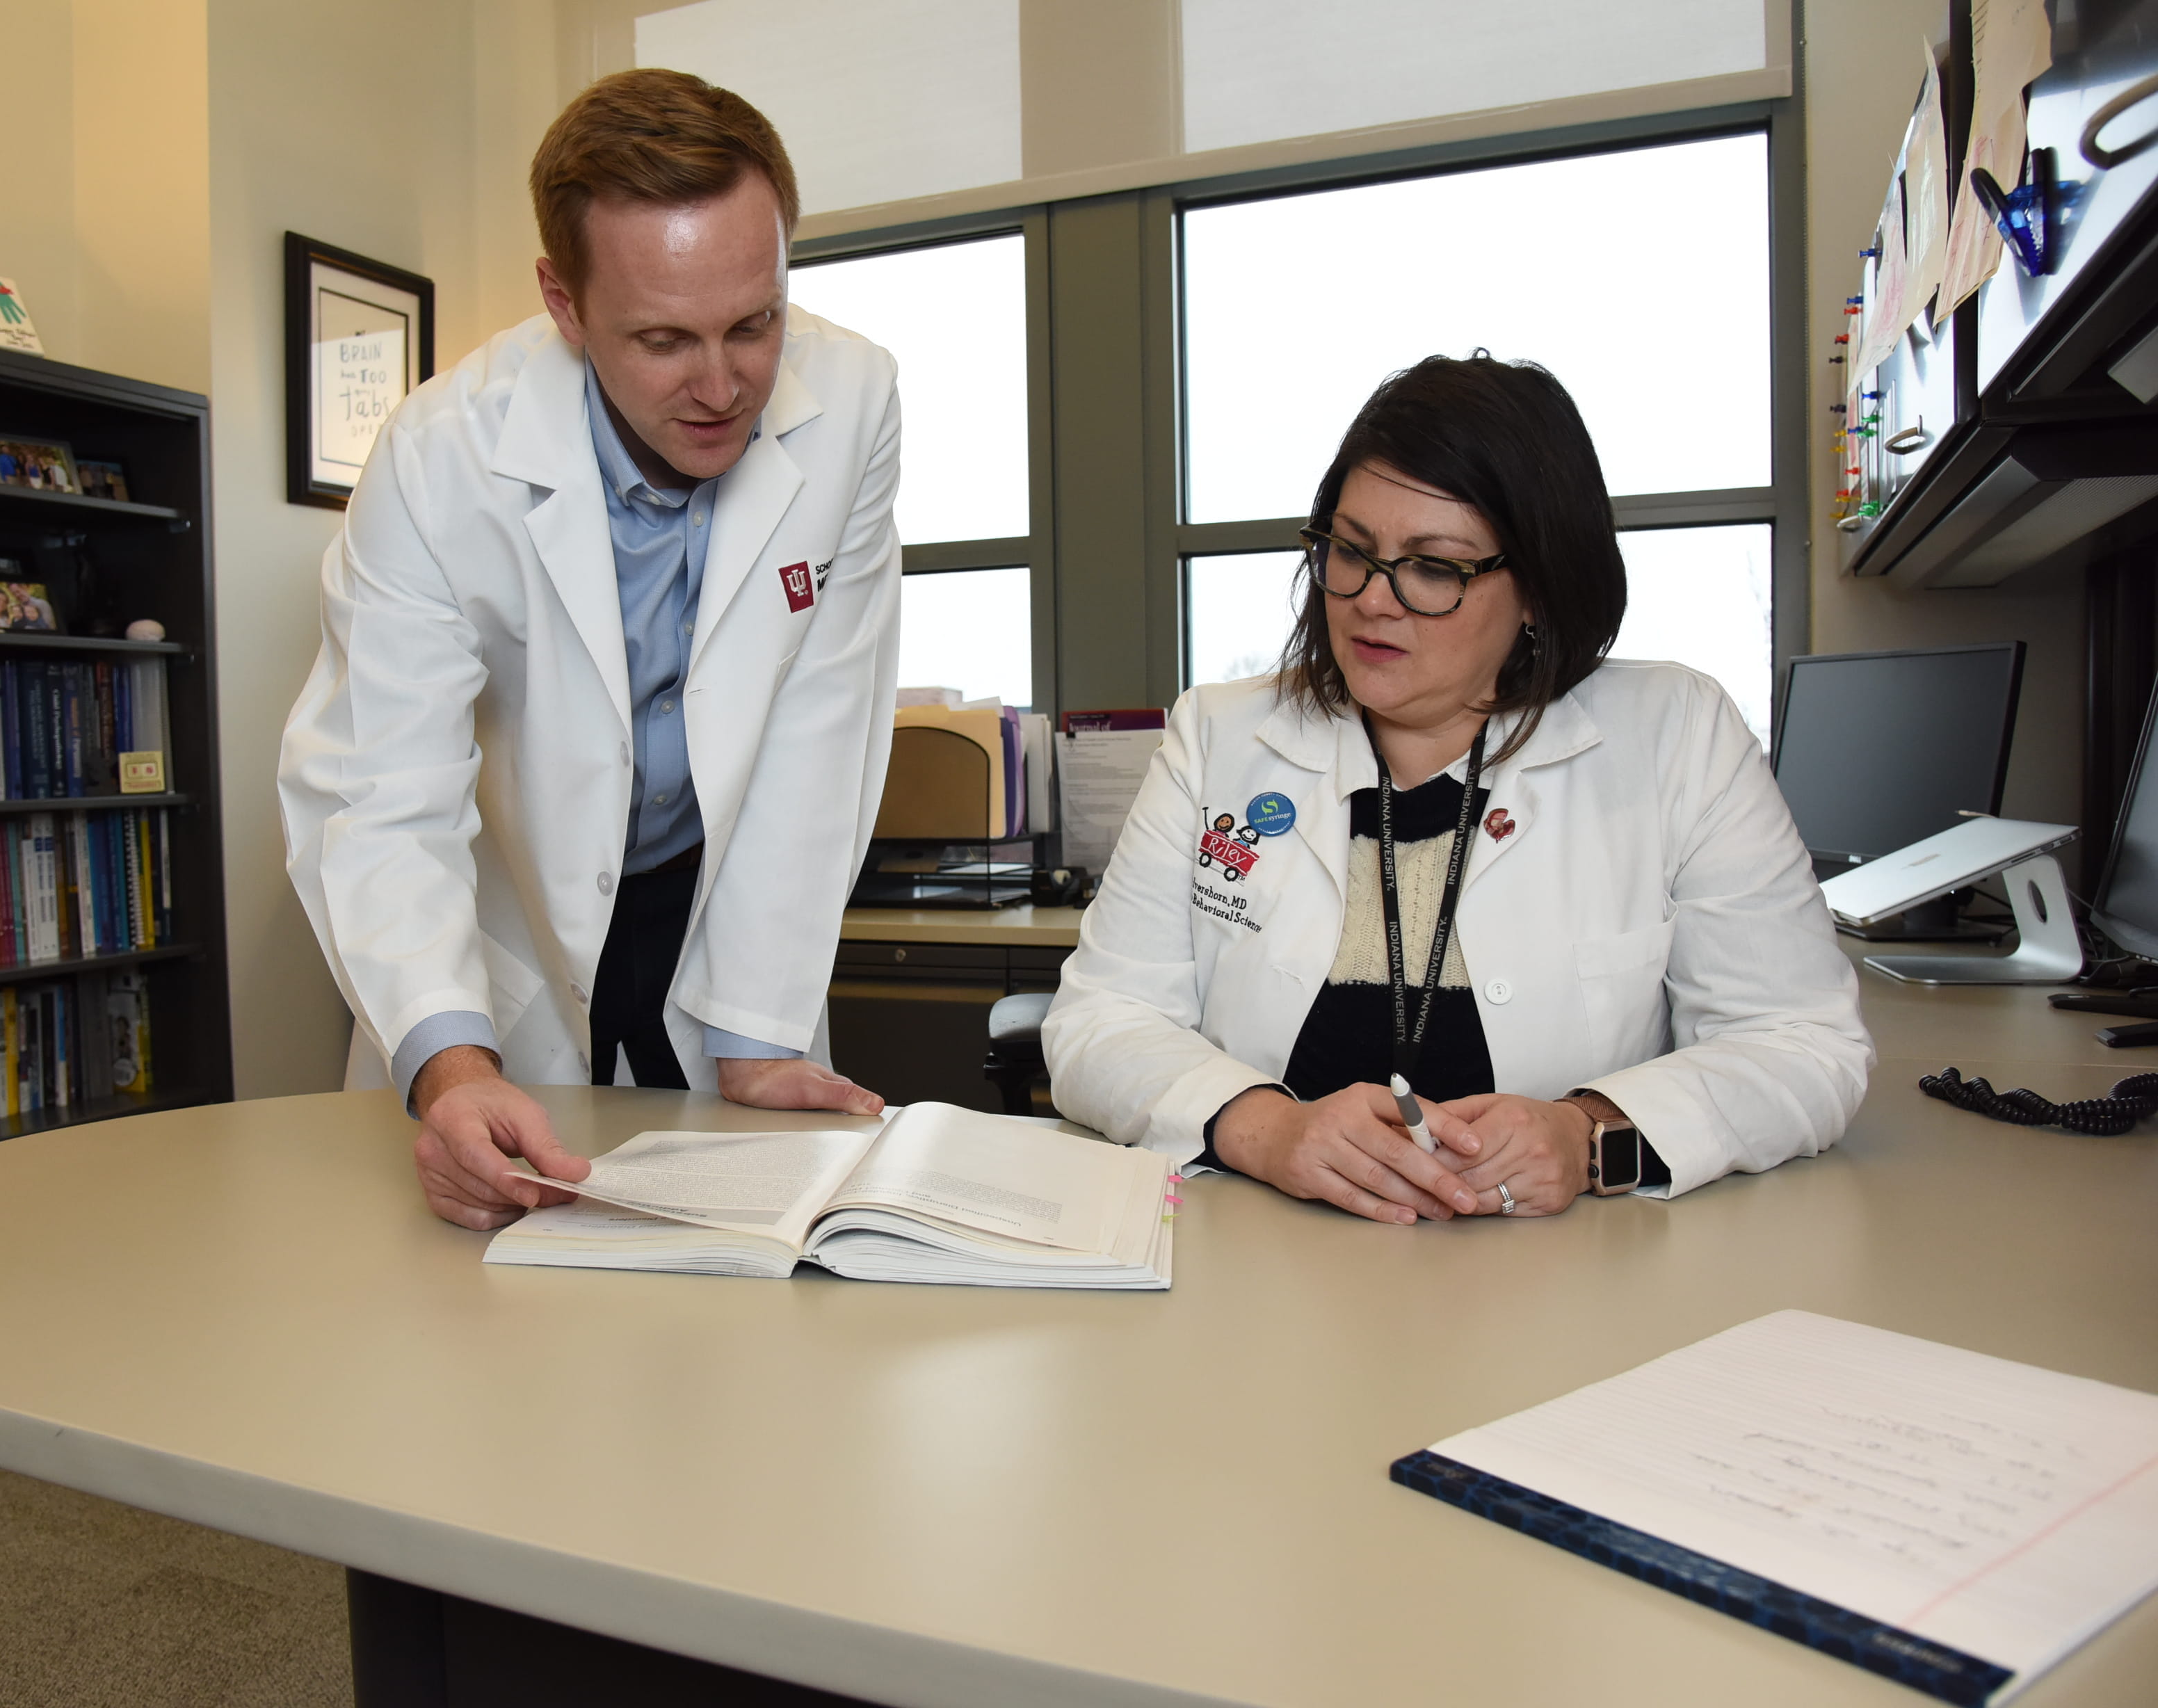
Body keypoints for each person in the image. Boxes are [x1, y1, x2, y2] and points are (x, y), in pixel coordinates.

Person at [279, 70, 903, 1230]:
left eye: (756, 323)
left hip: (722, 902)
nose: (724, 387)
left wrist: (760, 1031)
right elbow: (379, 790)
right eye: (665, 339)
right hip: (519, 913)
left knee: (736, 1304)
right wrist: (452, 1066)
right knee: (486, 1324)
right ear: (564, 304)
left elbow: (821, 718)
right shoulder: (439, 456)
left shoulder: (855, 398)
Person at [1042, 355, 1870, 1221]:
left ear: (1539, 593)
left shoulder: (1676, 735)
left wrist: (1586, 1135)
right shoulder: (1217, 735)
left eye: (1433, 567)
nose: (1371, 598)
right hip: (1265, 1269)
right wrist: (1265, 1129)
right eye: (1350, 551)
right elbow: (1098, 1021)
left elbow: (1801, 1044)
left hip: (1564, 1284)